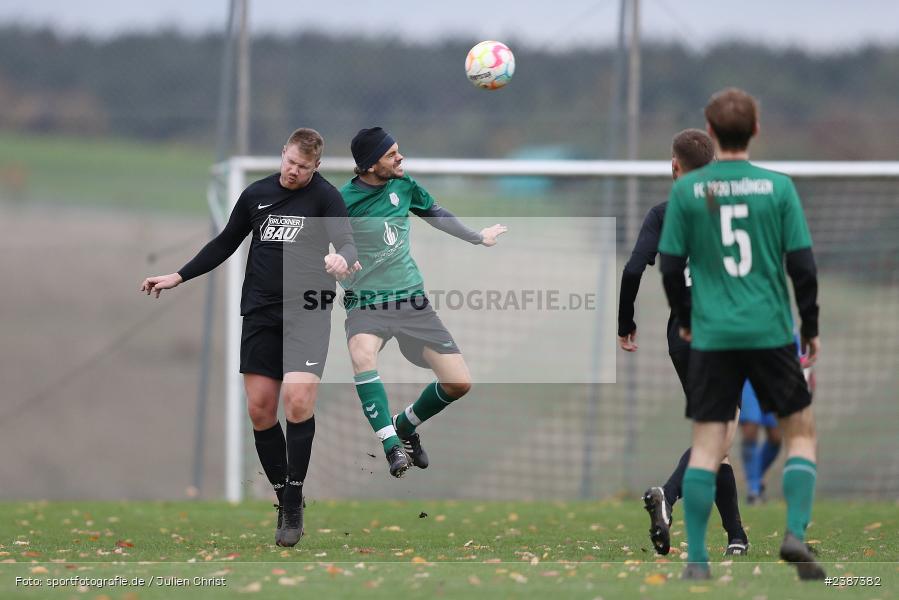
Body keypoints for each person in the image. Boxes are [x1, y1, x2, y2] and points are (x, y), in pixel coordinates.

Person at [140, 128, 358, 548]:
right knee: (260, 410)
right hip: (260, 313)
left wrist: (341, 258)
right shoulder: (256, 195)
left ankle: (293, 499)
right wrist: (177, 276)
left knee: (298, 400)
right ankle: (284, 498)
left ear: (316, 168)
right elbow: (225, 242)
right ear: (283, 155)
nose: (294, 172)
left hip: (308, 310)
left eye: (304, 167)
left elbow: (348, 242)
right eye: (290, 162)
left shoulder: (325, 198)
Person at [658, 88, 823, 580]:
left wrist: (684, 316)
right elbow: (803, 266)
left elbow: (669, 268)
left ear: (709, 133)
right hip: (771, 330)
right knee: (800, 433)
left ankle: (697, 562)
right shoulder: (778, 188)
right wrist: (809, 328)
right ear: (755, 131)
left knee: (709, 444)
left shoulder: (687, 193)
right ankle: (794, 532)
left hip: (712, 334)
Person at [338, 127, 507, 477]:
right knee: (361, 354)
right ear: (370, 165)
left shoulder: (404, 184)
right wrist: (337, 260)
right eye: (391, 154)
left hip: (411, 300)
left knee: (458, 382)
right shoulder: (344, 200)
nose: (399, 157)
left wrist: (478, 237)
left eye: (398, 150)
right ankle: (390, 447)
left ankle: (404, 424)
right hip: (367, 302)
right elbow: (327, 240)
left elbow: (436, 213)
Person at [618, 128, 749, 557]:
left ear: (674, 166)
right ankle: (668, 496)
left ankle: (736, 537)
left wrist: (625, 322)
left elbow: (634, 269)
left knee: (716, 435)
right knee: (719, 432)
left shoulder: (662, 213)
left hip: (682, 336)